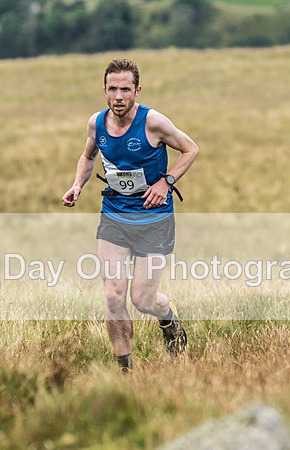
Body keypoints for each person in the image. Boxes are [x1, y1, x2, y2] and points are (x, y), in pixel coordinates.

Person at [61, 58, 199, 372]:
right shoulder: (96, 123)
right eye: (113, 89)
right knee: (113, 296)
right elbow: (88, 156)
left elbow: (191, 149)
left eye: (126, 89)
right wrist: (76, 185)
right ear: (104, 90)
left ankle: (168, 316)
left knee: (142, 299)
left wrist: (166, 182)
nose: (119, 96)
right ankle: (126, 370)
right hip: (114, 217)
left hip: (154, 220)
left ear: (137, 90)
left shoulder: (153, 123)